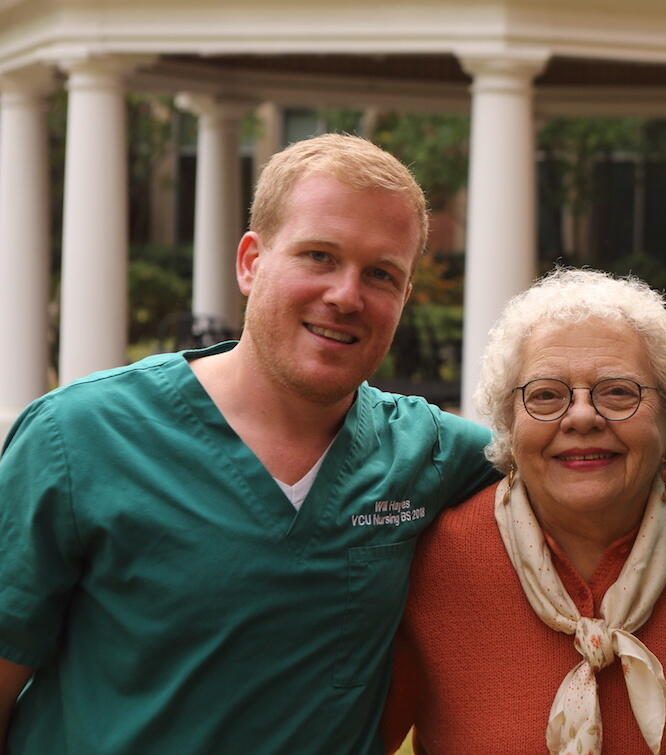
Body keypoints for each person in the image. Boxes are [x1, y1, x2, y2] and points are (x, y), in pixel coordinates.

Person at [0, 134, 497, 754]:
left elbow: (579, 476)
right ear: (250, 262)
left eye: (381, 274)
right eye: (319, 256)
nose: (346, 295)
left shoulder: (430, 454)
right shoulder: (77, 437)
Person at [381, 268, 666, 754]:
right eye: (546, 395)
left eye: (619, 391)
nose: (581, 416)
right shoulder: (433, 559)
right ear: (508, 424)